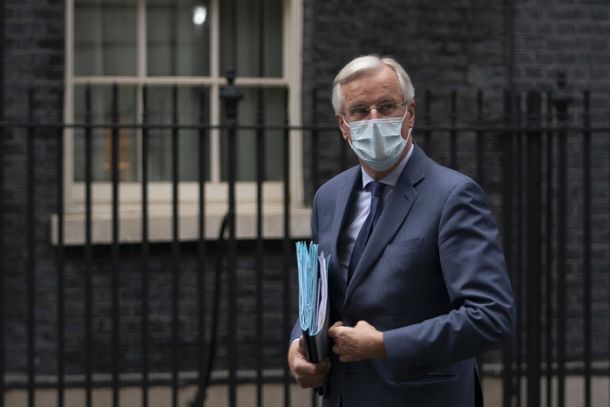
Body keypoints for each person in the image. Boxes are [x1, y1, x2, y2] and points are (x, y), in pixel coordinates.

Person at [287, 55, 515, 407]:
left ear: (410, 114)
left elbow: (491, 316)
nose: (374, 119)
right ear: (343, 125)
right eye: (359, 110)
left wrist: (384, 345)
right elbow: (325, 295)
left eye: (387, 106)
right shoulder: (328, 197)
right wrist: (298, 347)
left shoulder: (453, 196)